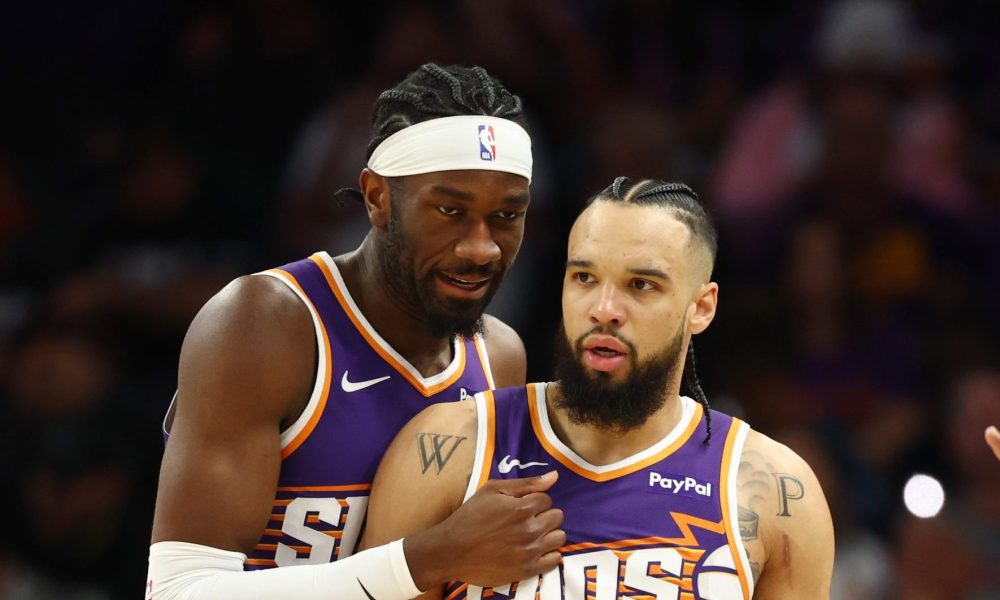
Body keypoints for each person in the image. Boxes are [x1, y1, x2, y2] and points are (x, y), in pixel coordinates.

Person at [146, 63, 565, 599]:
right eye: (450, 210)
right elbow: (178, 591)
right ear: (377, 198)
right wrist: (426, 559)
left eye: (506, 217)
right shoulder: (265, 324)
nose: (481, 248)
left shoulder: (498, 355)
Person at [363, 177, 835, 599]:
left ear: (702, 308)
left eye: (641, 285)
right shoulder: (448, 448)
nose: (604, 309)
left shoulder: (776, 494)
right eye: (584, 277)